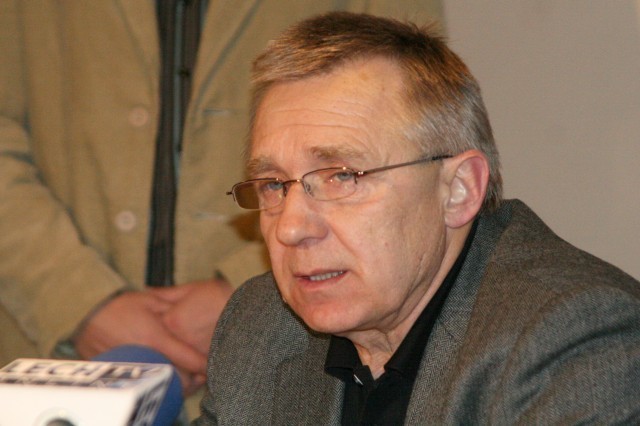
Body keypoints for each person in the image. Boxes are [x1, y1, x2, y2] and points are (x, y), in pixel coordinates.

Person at [195, 12, 640, 424]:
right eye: (273, 184)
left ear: (458, 190)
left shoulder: (572, 338)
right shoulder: (261, 326)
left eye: (342, 176)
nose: (291, 228)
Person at [0, 0, 436, 416]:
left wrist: (247, 299)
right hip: (50, 353)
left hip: (287, 360)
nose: (291, 227)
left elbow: (410, 134)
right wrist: (77, 298)